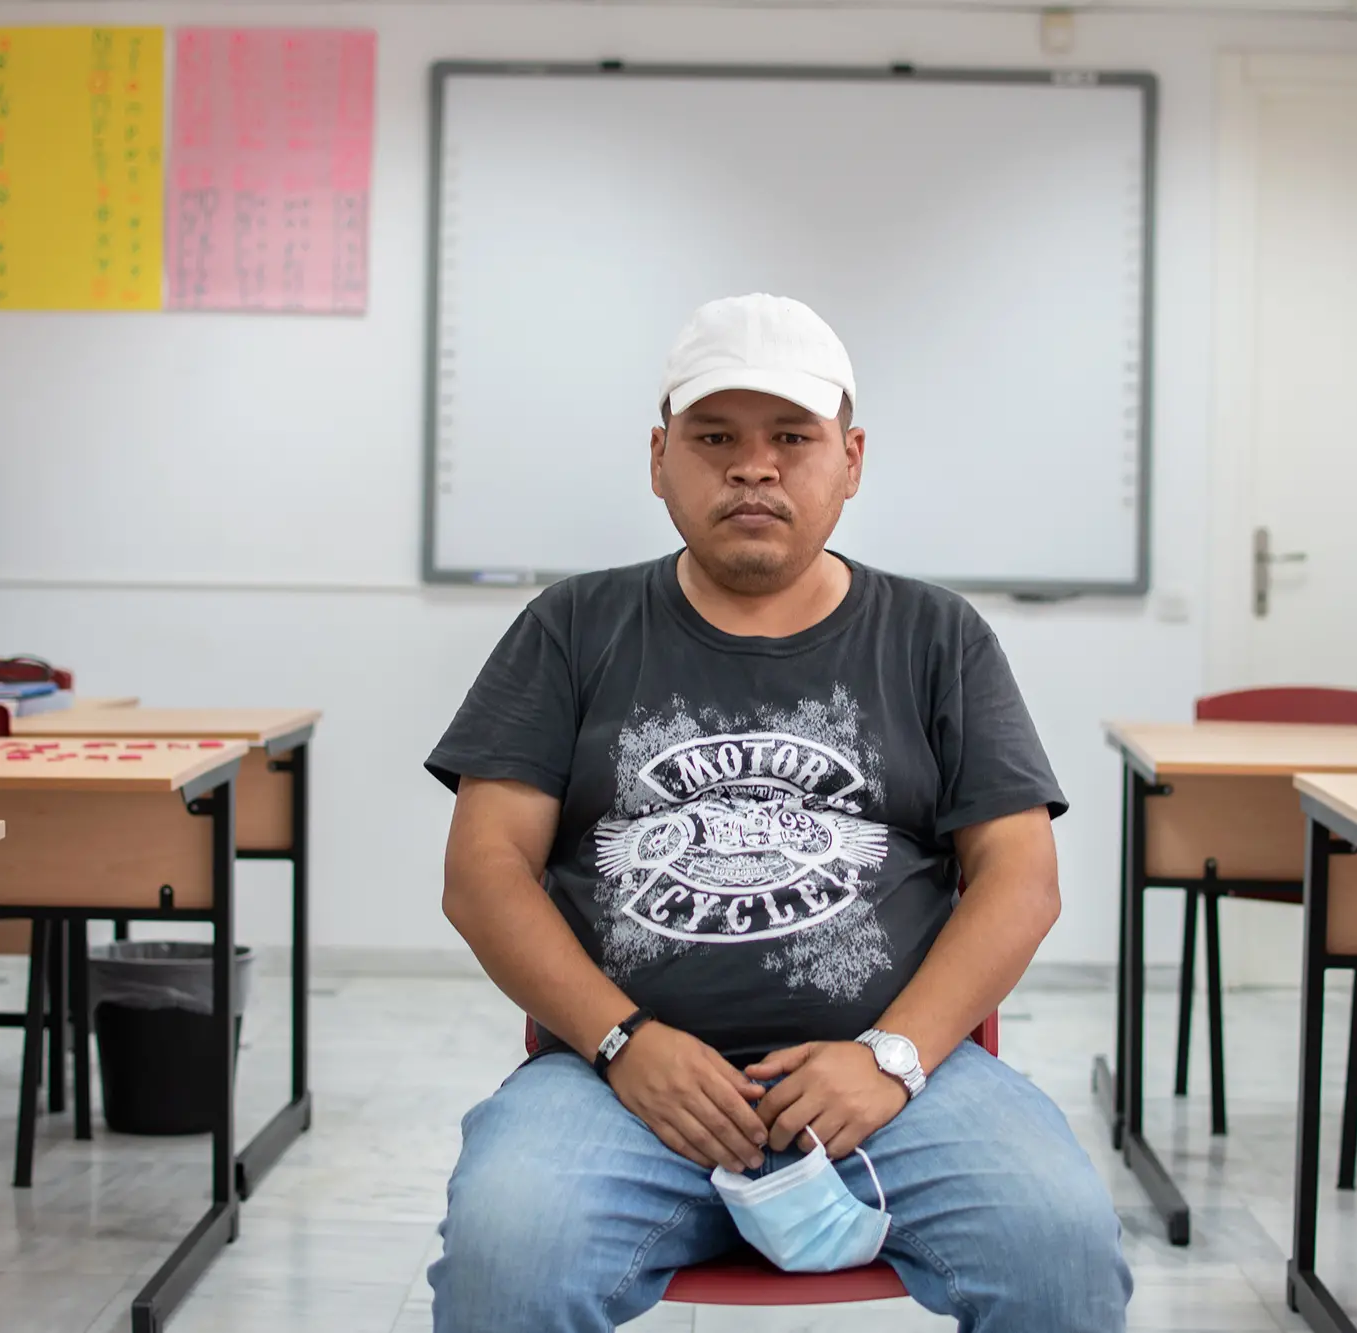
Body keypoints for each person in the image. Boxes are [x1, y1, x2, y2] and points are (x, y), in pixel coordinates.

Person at [424, 293, 1131, 1332]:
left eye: (790, 438)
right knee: (504, 1265)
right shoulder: (571, 627)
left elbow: (1020, 879)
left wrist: (890, 1057)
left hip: (892, 1081)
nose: (752, 467)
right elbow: (482, 872)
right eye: (714, 438)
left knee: (1059, 1256)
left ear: (849, 459)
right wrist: (622, 1044)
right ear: (659, 457)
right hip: (616, 1081)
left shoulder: (936, 636)